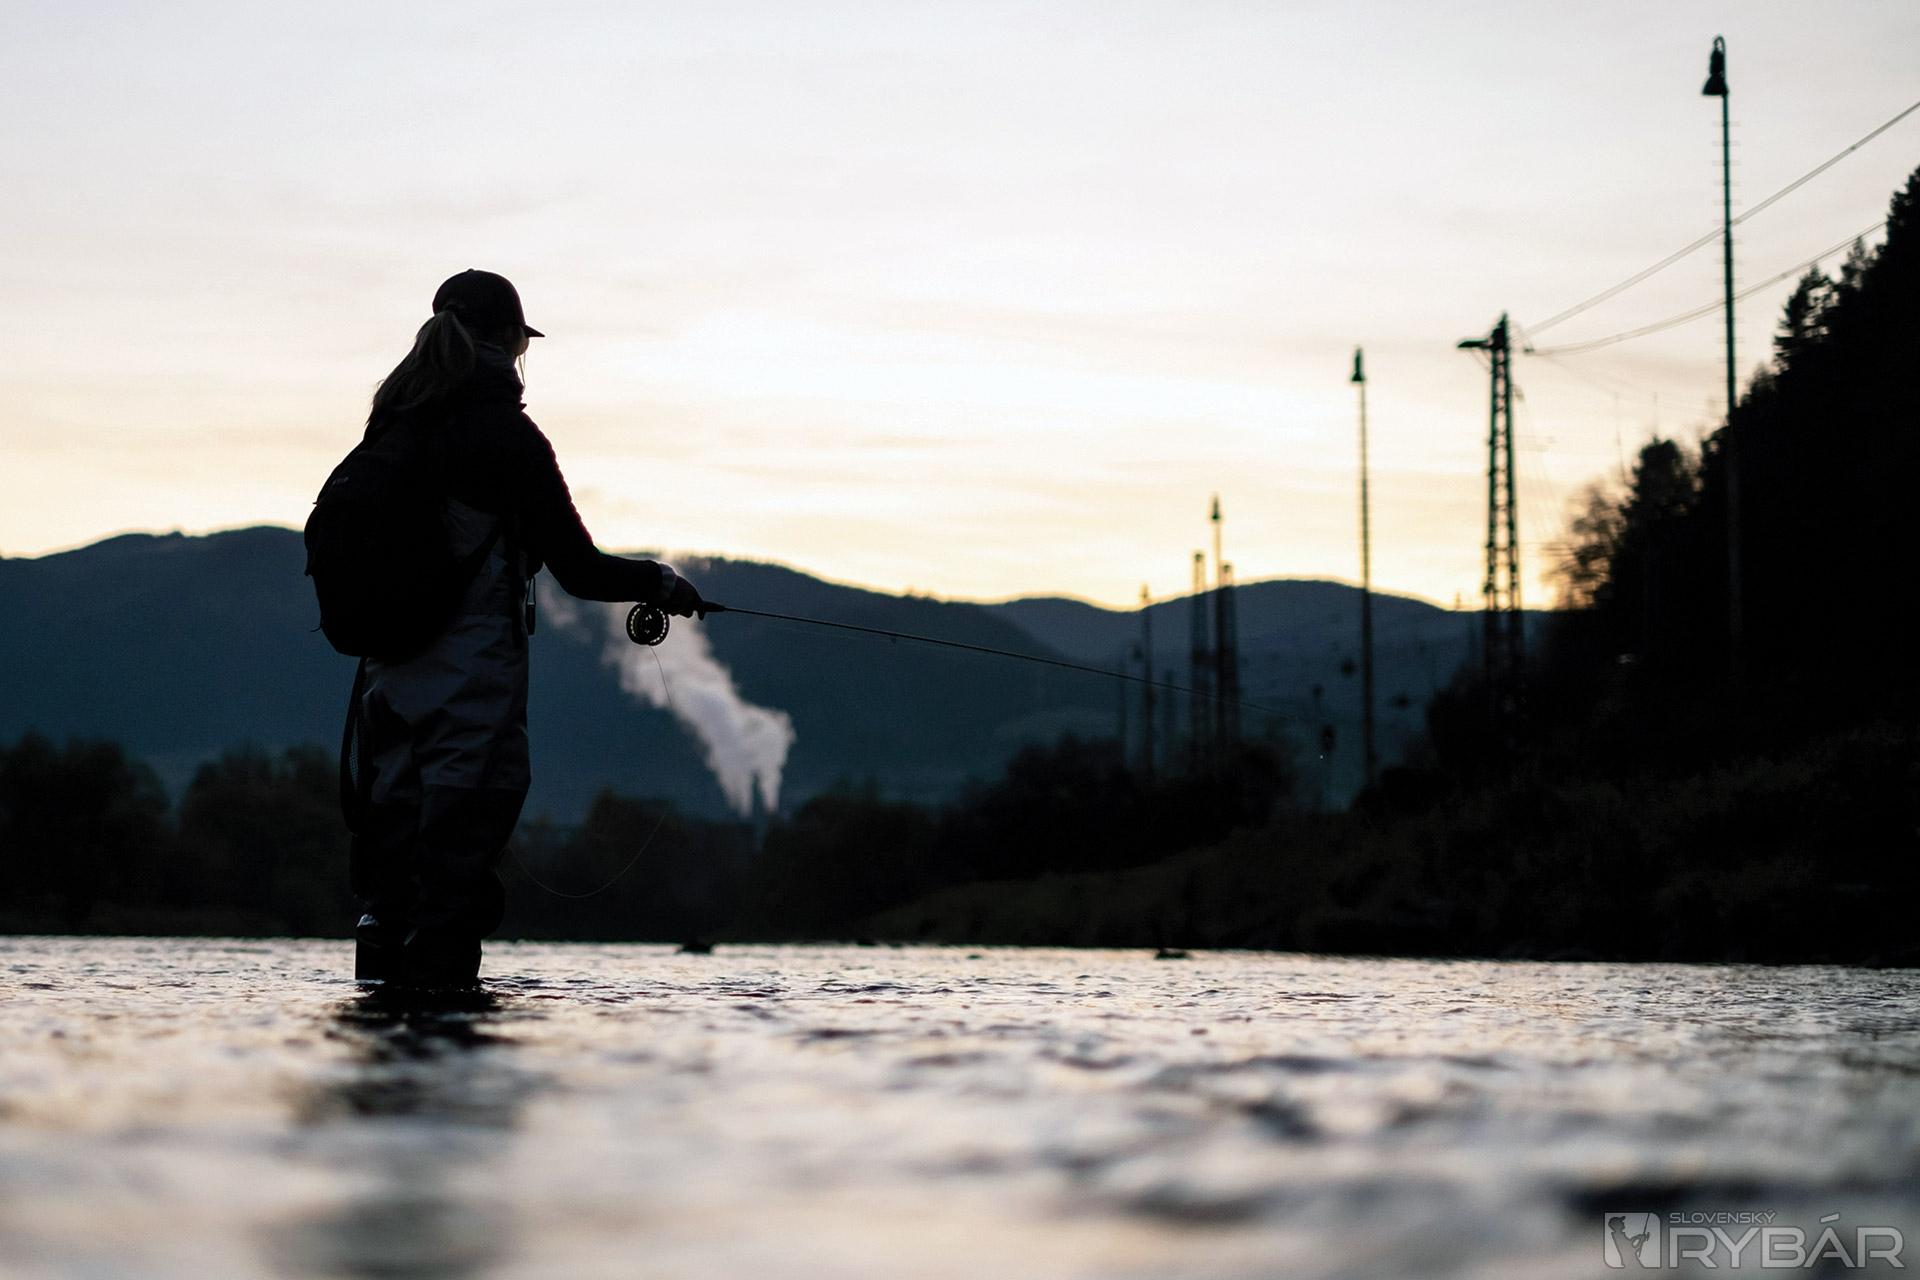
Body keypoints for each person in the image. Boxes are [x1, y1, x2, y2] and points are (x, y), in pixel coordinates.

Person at [349, 269, 703, 985]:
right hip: (468, 688)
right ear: (512, 342)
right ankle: (448, 1032)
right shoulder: (508, 437)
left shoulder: (393, 426)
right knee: (452, 886)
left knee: (389, 891)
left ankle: (380, 1028)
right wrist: (660, 583)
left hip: (384, 685)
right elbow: (579, 569)